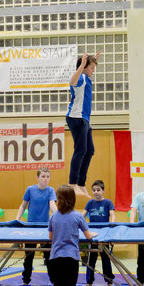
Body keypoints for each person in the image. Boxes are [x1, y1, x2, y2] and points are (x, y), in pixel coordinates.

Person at [48, 185, 97, 286]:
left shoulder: (53, 217)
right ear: (73, 199)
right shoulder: (77, 216)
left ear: (58, 199)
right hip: (71, 256)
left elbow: (50, 238)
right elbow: (88, 236)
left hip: (56, 257)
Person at [66, 51, 102, 198]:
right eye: (92, 68)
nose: (93, 71)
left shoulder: (87, 78)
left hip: (85, 119)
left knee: (89, 150)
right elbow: (72, 81)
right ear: (84, 68)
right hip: (76, 117)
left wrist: (92, 60)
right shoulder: (80, 77)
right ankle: (72, 183)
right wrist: (82, 65)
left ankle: (81, 183)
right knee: (80, 150)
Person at [16, 166, 57, 285]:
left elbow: (52, 205)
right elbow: (23, 205)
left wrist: (60, 215)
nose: (45, 179)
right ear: (37, 178)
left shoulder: (50, 190)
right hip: (31, 228)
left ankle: (54, 281)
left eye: (48, 177)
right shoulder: (30, 189)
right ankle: (26, 280)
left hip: (45, 228)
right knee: (29, 256)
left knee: (49, 256)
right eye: (43, 177)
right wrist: (17, 220)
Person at [82, 180, 115, 286]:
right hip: (92, 234)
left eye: (98, 190)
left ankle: (109, 281)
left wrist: (112, 225)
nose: (96, 192)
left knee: (105, 258)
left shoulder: (108, 202)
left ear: (103, 191)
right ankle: (89, 281)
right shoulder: (90, 203)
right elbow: (82, 215)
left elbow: (112, 215)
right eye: (94, 190)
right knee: (91, 258)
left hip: (104, 234)